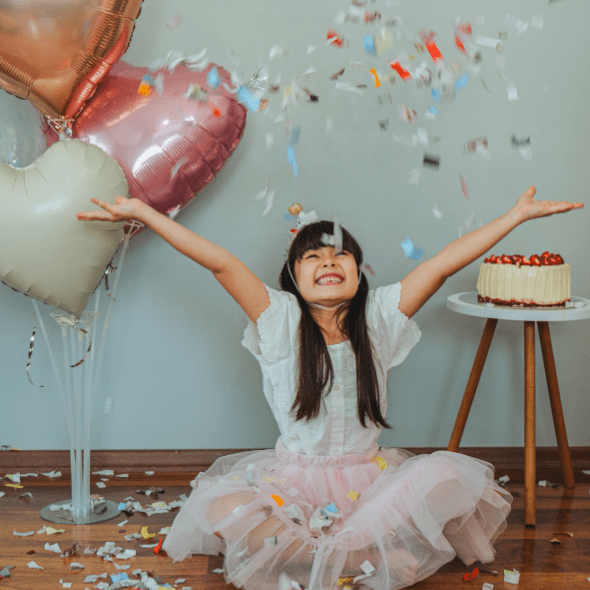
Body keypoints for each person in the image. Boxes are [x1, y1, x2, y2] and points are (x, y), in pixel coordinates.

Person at [78, 186, 582, 590]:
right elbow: (221, 263)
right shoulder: (278, 321)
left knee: (447, 477)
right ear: (292, 278)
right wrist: (147, 212)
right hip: (293, 482)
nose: (328, 262)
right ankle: (358, 557)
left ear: (360, 274)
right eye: (312, 257)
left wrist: (513, 216)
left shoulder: (381, 317)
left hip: (370, 479)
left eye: (341, 255)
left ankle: (323, 558)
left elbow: (444, 263)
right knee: (223, 507)